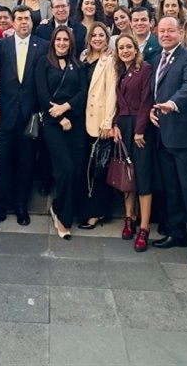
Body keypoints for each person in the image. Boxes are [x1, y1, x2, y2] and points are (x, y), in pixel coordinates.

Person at [149, 16, 187, 271]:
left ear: (180, 32)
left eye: (170, 30)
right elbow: (154, 91)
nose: (165, 34)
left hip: (184, 137)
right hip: (163, 135)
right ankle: (177, 233)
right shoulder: (155, 59)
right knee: (172, 188)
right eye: (161, 31)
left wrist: (172, 104)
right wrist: (152, 111)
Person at [0, 7, 45, 229]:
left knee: (26, 161)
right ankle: (0, 206)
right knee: (1, 161)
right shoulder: (0, 46)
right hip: (4, 114)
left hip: (29, 116)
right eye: (19, 18)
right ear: (12, 22)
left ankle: (21, 205)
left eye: (27, 19)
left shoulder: (41, 46)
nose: (23, 22)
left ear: (32, 22)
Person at [35, 26, 87, 240]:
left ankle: (59, 207)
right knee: (64, 169)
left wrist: (66, 108)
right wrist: (59, 116)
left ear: (71, 42)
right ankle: (63, 220)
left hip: (74, 123)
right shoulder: (44, 63)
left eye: (66, 40)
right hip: (52, 123)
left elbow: (83, 92)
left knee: (75, 170)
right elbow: (42, 93)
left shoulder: (78, 65)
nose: (62, 43)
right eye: (59, 40)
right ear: (53, 42)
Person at [111, 34, 154, 250]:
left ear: (136, 49)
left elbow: (147, 100)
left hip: (140, 127)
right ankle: (129, 217)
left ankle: (144, 228)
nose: (125, 50)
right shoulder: (120, 71)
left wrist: (139, 130)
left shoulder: (144, 69)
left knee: (143, 176)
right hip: (123, 126)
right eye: (121, 48)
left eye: (129, 47)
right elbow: (116, 103)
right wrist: (115, 124)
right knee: (126, 174)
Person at [81, 22, 117, 229]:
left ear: (107, 37)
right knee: (87, 167)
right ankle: (88, 208)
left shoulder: (110, 59)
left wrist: (107, 122)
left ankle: (98, 213)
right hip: (82, 119)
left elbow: (112, 91)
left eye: (101, 35)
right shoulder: (83, 57)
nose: (97, 38)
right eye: (93, 35)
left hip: (99, 121)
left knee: (98, 169)